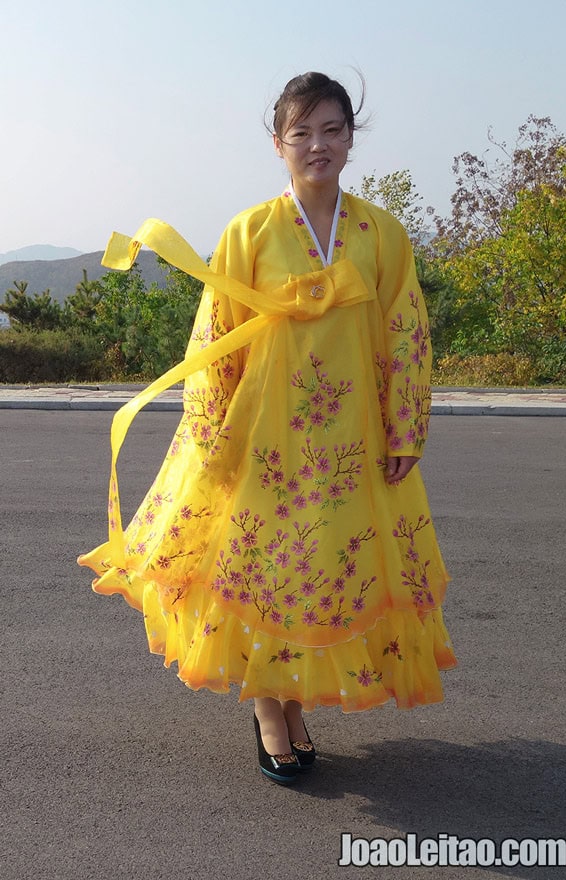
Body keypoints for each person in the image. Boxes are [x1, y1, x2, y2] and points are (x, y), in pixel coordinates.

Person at [79, 71, 457, 785]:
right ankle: (268, 709)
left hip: (348, 442)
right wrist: (209, 427)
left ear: (351, 136)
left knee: (318, 576)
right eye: (302, 133)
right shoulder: (249, 231)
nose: (318, 145)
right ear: (278, 143)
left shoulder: (382, 233)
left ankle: (296, 702)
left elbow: (405, 332)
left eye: (332, 130)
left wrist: (404, 425)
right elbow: (213, 333)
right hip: (264, 440)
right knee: (264, 574)